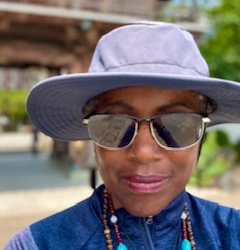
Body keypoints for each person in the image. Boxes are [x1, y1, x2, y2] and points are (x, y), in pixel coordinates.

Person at [5, 22, 240, 250]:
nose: (143, 153)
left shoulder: (233, 233)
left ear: (201, 134)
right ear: (92, 135)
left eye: (176, 126)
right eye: (115, 125)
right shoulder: (36, 245)